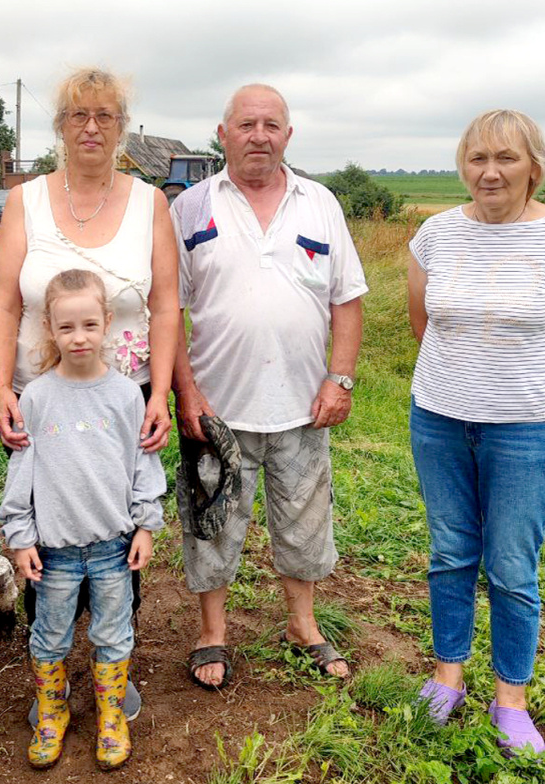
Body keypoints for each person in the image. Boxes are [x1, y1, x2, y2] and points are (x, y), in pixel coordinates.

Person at [0, 66, 179, 720]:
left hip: (125, 402)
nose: (91, 127)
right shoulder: (26, 201)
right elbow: (4, 300)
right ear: (61, 127)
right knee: (42, 535)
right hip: (38, 401)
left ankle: (109, 666)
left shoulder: (151, 202)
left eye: (104, 116)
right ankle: (51, 670)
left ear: (121, 127)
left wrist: (160, 397)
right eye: (78, 116)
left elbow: (168, 302)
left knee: (120, 538)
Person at [171, 84, 368, 689]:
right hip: (217, 407)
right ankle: (212, 634)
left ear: (288, 135)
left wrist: (340, 378)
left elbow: (347, 300)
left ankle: (303, 625)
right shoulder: (190, 207)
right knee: (212, 521)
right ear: (223, 133)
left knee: (305, 520)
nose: (260, 135)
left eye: (272, 125)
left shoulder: (321, 203)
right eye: (247, 124)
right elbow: (167, 309)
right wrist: (185, 392)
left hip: (304, 405)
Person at [408, 109, 545, 752]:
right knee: (451, 551)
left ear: (533, 167)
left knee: (512, 565)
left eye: (506, 159)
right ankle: (447, 677)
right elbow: (423, 325)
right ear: (463, 165)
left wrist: (530, 390)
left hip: (528, 432)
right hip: (438, 421)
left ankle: (510, 699)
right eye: (477, 158)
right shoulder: (434, 234)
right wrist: (462, 385)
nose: (489, 172)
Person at [0, 269, 166, 770]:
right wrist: (20, 536)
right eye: (67, 327)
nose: (79, 337)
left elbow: (143, 467)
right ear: (50, 328)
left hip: (114, 547)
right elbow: (21, 474)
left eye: (90, 325)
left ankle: (110, 715)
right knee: (49, 635)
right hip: (55, 553)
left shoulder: (125, 395)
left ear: (108, 323)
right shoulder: (38, 397)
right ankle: (53, 711)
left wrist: (146, 525)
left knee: (113, 634)